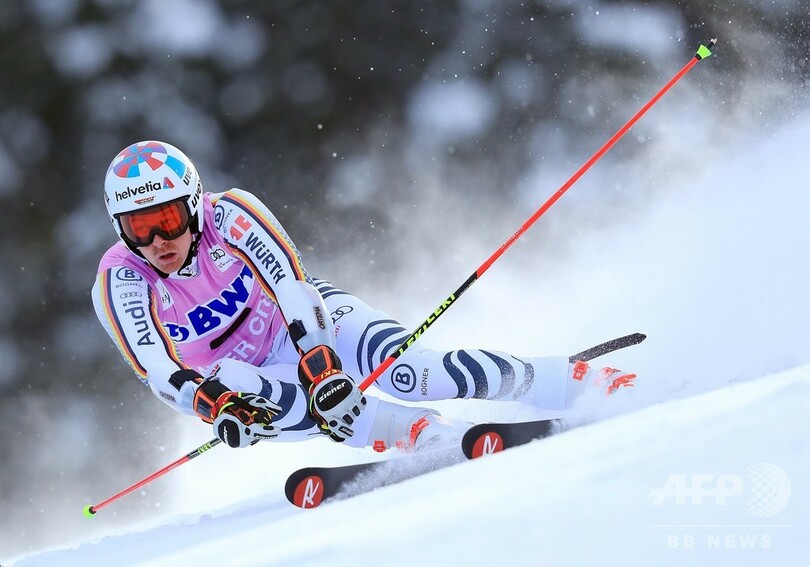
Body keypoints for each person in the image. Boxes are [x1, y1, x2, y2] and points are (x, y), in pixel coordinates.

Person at [92, 140, 636, 452]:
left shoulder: (229, 214)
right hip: (246, 380)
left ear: (191, 205)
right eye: (139, 228)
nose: (158, 241)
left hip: (300, 327)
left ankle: (570, 381)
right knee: (272, 394)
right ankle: (423, 437)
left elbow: (291, 285)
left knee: (414, 373)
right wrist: (217, 406)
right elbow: (158, 370)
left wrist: (320, 361)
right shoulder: (121, 281)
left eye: (166, 219)